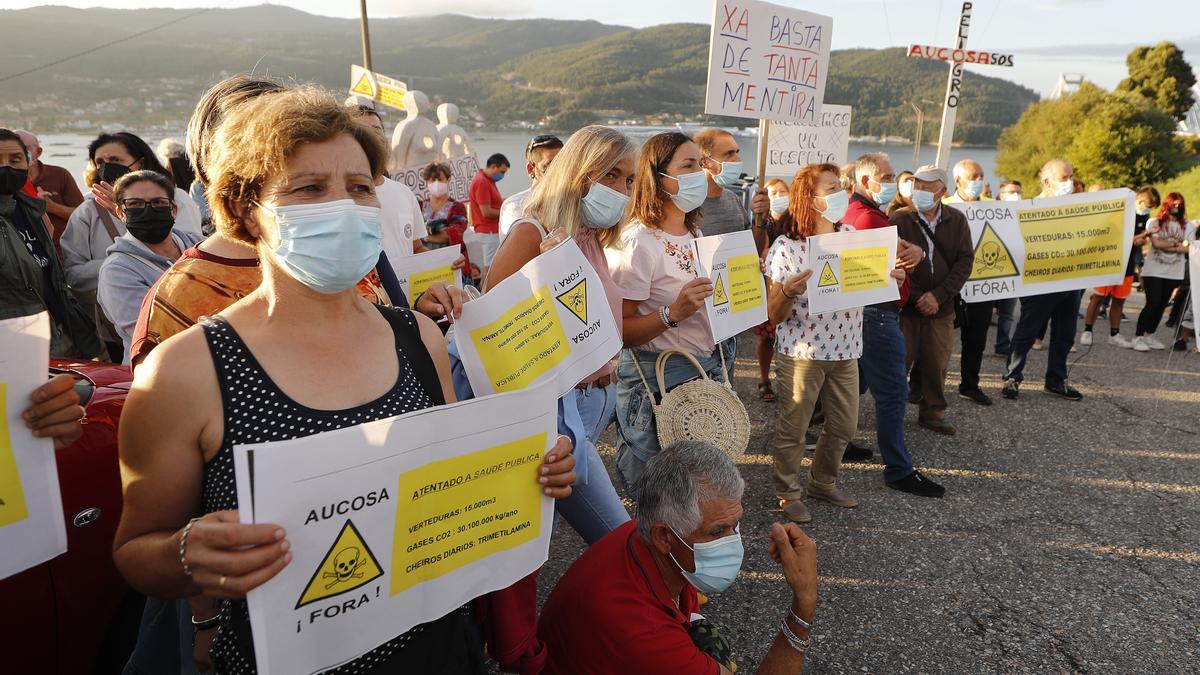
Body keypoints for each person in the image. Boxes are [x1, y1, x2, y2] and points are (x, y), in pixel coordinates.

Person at [111, 86, 578, 674]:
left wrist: (528, 469)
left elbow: (452, 474)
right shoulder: (185, 371)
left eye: (360, 187)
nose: (345, 205)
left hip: (436, 647)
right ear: (248, 206)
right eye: (309, 188)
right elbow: (136, 551)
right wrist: (188, 555)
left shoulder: (418, 337)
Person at [538, 440, 818, 675]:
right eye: (717, 531)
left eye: (736, 525)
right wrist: (803, 604)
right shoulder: (645, 636)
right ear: (664, 537)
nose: (733, 542)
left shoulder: (639, 534)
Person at [485, 125, 635, 544]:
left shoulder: (588, 236)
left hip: (595, 401)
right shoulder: (531, 233)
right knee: (616, 536)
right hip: (557, 411)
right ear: (578, 172)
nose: (622, 189)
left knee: (535, 531)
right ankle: (666, 606)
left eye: (628, 179)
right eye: (610, 175)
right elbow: (493, 340)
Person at [767, 163, 907, 523]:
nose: (840, 195)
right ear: (809, 199)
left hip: (846, 349)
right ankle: (787, 491)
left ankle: (822, 482)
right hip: (802, 352)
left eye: (839, 187)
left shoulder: (852, 236)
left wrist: (892, 277)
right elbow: (774, 313)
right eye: (831, 189)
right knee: (794, 427)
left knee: (844, 426)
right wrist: (787, 291)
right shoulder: (787, 247)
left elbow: (872, 281)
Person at [609, 132, 734, 497]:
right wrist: (672, 313)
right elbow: (620, 331)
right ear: (658, 176)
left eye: (701, 163)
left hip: (704, 372)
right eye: (688, 165)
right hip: (658, 383)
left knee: (696, 494)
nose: (700, 172)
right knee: (659, 496)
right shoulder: (638, 242)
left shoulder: (695, 231)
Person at [62, 132, 203, 359]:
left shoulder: (178, 202)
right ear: (122, 211)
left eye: (115, 160)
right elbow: (73, 273)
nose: (107, 167)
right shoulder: (88, 213)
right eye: (100, 162)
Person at [842, 154, 938, 487]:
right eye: (886, 176)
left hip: (868, 313)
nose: (893, 181)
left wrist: (914, 251)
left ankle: (837, 442)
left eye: (894, 175)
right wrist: (915, 252)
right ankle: (898, 469)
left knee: (856, 385)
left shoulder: (863, 213)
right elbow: (897, 254)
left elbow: (901, 249)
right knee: (893, 393)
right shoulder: (868, 219)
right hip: (878, 314)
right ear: (866, 182)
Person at [0, 128, 100, 358]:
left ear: (28, 162)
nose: (6, 166)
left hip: (59, 338)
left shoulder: (31, 211)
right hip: (15, 347)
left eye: (15, 159)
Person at [892, 165, 973, 435]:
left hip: (942, 307)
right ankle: (892, 414)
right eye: (917, 185)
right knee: (898, 362)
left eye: (927, 187)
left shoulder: (957, 220)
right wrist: (917, 297)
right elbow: (891, 262)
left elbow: (964, 262)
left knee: (936, 363)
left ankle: (932, 412)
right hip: (907, 308)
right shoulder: (900, 218)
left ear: (943, 191)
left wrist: (938, 296)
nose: (921, 191)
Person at [97, 170, 204, 363]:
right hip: (159, 374)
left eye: (158, 202)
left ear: (174, 210)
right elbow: (152, 334)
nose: (148, 210)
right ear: (120, 212)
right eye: (135, 204)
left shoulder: (202, 247)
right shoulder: (117, 271)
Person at [1001, 159, 1085, 401]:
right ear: (1047, 181)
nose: (1069, 182)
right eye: (1064, 178)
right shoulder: (1029, 208)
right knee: (1028, 331)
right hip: (1040, 282)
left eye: (1071, 176)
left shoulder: (1080, 208)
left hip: (1071, 280)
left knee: (1065, 333)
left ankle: (1056, 380)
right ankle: (1012, 377)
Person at [943, 159, 997, 406]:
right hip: (950, 286)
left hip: (982, 287)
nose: (978, 182)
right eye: (973, 177)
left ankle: (970, 385)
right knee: (938, 340)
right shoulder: (944, 207)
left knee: (976, 340)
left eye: (981, 176)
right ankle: (923, 386)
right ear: (957, 181)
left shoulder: (993, 207)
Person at [1082, 186, 1157, 348]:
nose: (1147, 210)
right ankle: (1088, 329)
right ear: (1139, 199)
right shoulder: (1121, 212)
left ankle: (1114, 334)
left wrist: (1141, 240)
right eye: (1147, 205)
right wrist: (1140, 236)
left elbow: (1135, 240)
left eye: (1150, 208)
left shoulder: (1145, 217)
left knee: (1119, 300)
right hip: (1110, 261)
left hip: (1128, 264)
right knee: (1098, 297)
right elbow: (1117, 237)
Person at [1132, 192, 1191, 352]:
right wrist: (1178, 246)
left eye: (1179, 205)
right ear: (1167, 205)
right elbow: (1156, 243)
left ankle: (1149, 335)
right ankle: (1138, 336)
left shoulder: (1187, 225)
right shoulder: (1155, 222)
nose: (1176, 208)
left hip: (1174, 271)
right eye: (1174, 204)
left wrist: (1175, 246)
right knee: (1153, 302)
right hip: (1154, 270)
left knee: (1162, 304)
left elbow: (1191, 247)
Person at [751, 178, 789, 402]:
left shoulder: (795, 223)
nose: (778, 197)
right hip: (767, 286)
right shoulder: (762, 222)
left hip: (788, 287)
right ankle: (764, 379)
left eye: (782, 192)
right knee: (766, 338)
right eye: (772, 193)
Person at [13, 129, 83, 248]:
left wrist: (52, 207)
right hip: (23, 252)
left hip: (64, 250)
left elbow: (83, 215)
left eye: (24, 148)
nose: (19, 153)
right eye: (13, 150)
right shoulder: (7, 180)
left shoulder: (59, 175)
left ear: (38, 151)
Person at [692, 128, 768, 237]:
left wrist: (759, 220)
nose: (737, 159)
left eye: (736, 152)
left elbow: (753, 249)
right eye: (729, 154)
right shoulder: (689, 206)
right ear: (704, 162)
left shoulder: (733, 198)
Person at [499, 134, 563, 238]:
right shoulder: (516, 206)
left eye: (563, 165)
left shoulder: (572, 202)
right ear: (531, 169)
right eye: (549, 166)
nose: (558, 172)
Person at [469, 152, 510, 273]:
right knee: (490, 270)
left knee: (493, 267)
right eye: (501, 172)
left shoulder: (488, 180)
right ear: (493, 166)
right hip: (488, 233)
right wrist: (505, 212)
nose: (502, 175)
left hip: (491, 232)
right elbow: (486, 212)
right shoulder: (482, 182)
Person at [418, 162, 469, 252]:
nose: (436, 183)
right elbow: (413, 232)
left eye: (440, 179)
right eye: (433, 180)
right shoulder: (419, 206)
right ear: (427, 182)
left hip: (450, 258)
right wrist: (438, 231)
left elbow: (454, 234)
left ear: (447, 180)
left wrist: (425, 237)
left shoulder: (457, 207)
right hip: (422, 257)